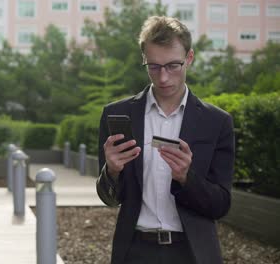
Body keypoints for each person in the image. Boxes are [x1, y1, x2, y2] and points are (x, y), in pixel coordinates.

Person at [96, 16, 235, 264]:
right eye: (154, 66)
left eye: (173, 66)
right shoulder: (117, 115)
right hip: (134, 251)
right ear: (144, 61)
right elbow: (109, 198)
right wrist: (112, 171)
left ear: (189, 58)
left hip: (193, 253)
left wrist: (186, 177)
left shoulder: (217, 122)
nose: (163, 78)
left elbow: (221, 205)